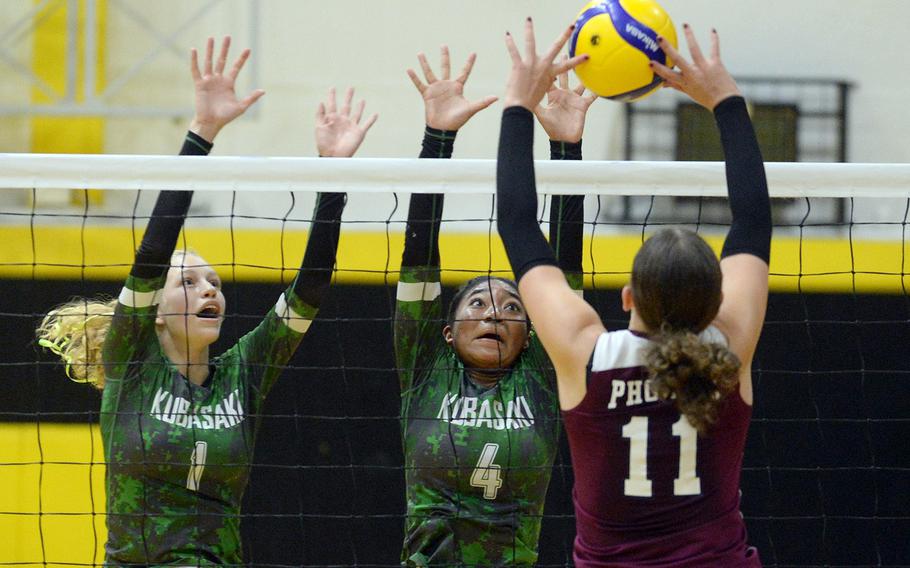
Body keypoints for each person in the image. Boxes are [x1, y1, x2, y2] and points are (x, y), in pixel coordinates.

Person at [36, 37, 376, 566]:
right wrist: (203, 134)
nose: (210, 289)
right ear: (154, 313)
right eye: (189, 282)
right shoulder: (132, 366)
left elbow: (309, 290)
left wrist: (330, 176)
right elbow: (152, 253)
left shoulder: (243, 374)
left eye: (214, 281)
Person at [496, 20, 769, 567]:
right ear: (716, 304)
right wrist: (726, 100)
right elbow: (756, 219)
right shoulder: (729, 348)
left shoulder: (587, 354)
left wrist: (516, 103)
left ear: (627, 297)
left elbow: (518, 227)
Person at [396, 46, 592, 566]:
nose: (494, 314)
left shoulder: (541, 378)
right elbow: (419, 257)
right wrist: (438, 136)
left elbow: (564, 278)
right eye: (478, 303)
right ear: (446, 331)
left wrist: (565, 148)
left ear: (531, 336)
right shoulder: (425, 369)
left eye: (511, 308)